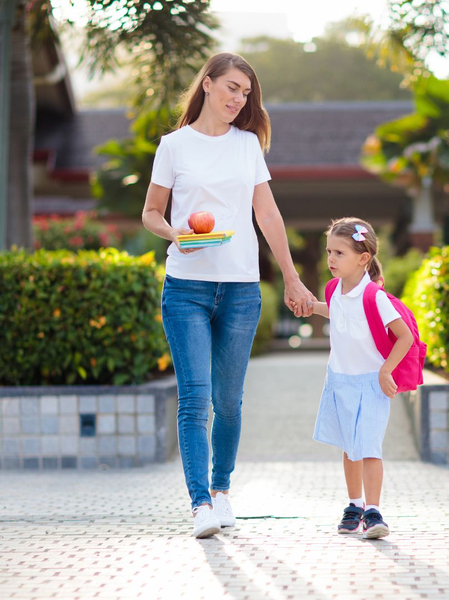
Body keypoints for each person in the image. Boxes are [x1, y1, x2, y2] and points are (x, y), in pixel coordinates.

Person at [142, 53, 315, 539]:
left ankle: (221, 491)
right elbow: (151, 212)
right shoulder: (174, 146)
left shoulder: (247, 147)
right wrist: (175, 233)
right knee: (195, 400)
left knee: (231, 403)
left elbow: (269, 216)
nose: (239, 99)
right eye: (232, 88)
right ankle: (199, 504)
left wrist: (292, 279)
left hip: (240, 290)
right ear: (208, 84)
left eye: (246, 93)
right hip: (186, 289)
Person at [294, 217, 414, 539]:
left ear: (363, 259)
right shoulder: (334, 289)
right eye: (329, 252)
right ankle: (354, 505)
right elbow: (337, 311)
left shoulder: (374, 296)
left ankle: (373, 512)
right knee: (350, 447)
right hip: (340, 380)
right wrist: (310, 307)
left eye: (339, 254)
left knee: (370, 447)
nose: (330, 259)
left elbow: (404, 337)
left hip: (371, 385)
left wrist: (386, 369)